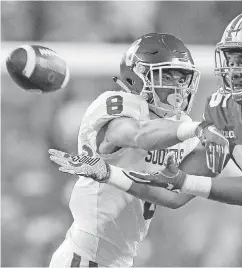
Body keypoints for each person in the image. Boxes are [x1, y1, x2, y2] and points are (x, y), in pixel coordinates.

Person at [51, 10, 242, 267]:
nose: (233, 69)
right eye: (230, 59)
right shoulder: (225, 113)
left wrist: (186, 179)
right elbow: (174, 192)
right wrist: (111, 174)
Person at [48, 32, 229, 267]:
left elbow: (174, 198)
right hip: (86, 255)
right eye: (167, 76)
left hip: (118, 259)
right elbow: (139, 135)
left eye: (182, 78)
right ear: (137, 77)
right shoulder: (119, 104)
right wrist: (196, 129)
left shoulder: (182, 128)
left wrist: (223, 145)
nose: (177, 87)